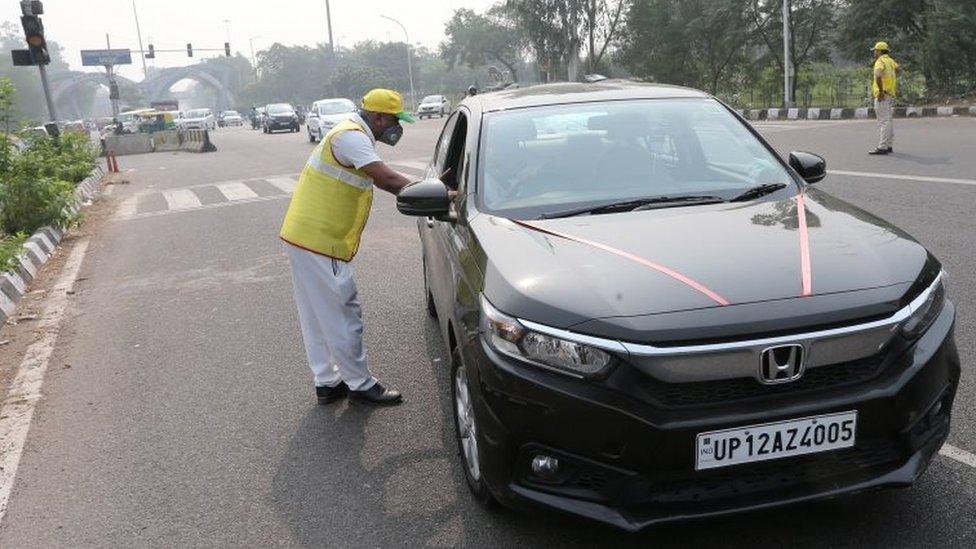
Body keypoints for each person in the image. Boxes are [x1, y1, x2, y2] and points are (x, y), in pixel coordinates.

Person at [279, 88, 416, 406]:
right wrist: (437, 194)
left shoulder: (351, 133)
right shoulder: (351, 136)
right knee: (342, 310)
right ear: (379, 117)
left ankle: (327, 381)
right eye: (394, 120)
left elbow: (384, 176)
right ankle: (360, 382)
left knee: (316, 313)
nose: (397, 128)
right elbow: (387, 180)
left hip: (306, 236)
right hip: (319, 240)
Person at [869, 41, 899, 155]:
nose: (874, 52)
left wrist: (881, 91)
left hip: (882, 94)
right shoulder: (890, 61)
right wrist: (891, 81)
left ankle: (882, 147)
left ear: (880, 51)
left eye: (875, 50)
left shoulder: (880, 61)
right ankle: (889, 145)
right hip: (890, 93)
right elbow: (897, 69)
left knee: (883, 121)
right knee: (888, 120)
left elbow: (878, 75)